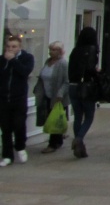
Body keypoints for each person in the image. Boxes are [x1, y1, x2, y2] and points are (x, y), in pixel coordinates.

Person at [1, 35, 35, 166]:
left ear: (19, 47)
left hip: (19, 98)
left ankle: (20, 147)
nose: (10, 49)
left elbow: (24, 72)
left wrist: (13, 60)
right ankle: (7, 156)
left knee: (19, 124)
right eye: (8, 46)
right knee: (6, 128)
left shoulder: (27, 58)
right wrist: (6, 62)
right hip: (4, 98)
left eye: (14, 46)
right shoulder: (2, 59)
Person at [67, 27, 101, 158]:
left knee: (77, 116)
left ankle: (79, 146)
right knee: (89, 116)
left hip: (73, 85)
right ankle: (79, 139)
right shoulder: (92, 50)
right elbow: (90, 69)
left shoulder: (75, 51)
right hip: (85, 87)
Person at [35, 41, 69, 154]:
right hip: (46, 94)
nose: (51, 52)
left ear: (60, 51)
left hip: (57, 97)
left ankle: (53, 143)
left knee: (54, 118)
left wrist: (60, 93)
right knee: (49, 117)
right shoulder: (47, 62)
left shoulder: (62, 64)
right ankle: (58, 140)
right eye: (50, 49)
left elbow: (67, 81)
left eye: (54, 50)